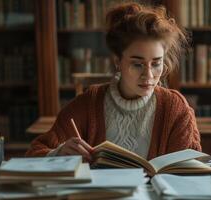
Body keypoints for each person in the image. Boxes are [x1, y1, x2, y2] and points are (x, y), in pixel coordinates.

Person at [26, 2, 201, 161]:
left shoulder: (175, 109)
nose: (148, 75)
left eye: (156, 63)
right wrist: (58, 153)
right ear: (117, 60)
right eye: (137, 64)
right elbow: (33, 154)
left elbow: (189, 172)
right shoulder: (89, 102)